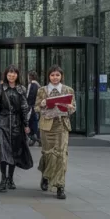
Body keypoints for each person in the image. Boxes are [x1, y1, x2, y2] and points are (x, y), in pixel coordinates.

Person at [0, 65, 32, 192]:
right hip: (2, 123)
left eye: (14, 73)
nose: (11, 76)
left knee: (14, 152)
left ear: (17, 75)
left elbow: (24, 108)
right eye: (9, 73)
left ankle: (10, 178)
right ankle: (3, 179)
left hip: (16, 124)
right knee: (3, 151)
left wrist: (26, 125)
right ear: (6, 75)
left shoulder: (21, 89)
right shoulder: (0, 89)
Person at [35, 65, 75, 199]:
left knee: (61, 155)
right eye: (52, 75)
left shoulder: (68, 90)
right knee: (48, 154)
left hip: (61, 125)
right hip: (46, 126)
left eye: (57, 75)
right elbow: (36, 107)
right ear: (49, 76)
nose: (55, 77)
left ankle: (60, 186)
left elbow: (73, 108)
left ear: (61, 76)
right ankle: (45, 176)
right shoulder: (42, 90)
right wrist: (42, 104)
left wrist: (69, 107)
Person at [26, 71, 41, 147]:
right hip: (36, 107)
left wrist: (27, 105)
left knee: (29, 122)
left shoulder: (31, 85)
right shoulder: (38, 85)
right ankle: (36, 137)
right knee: (34, 122)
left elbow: (29, 96)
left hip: (31, 107)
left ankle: (35, 137)